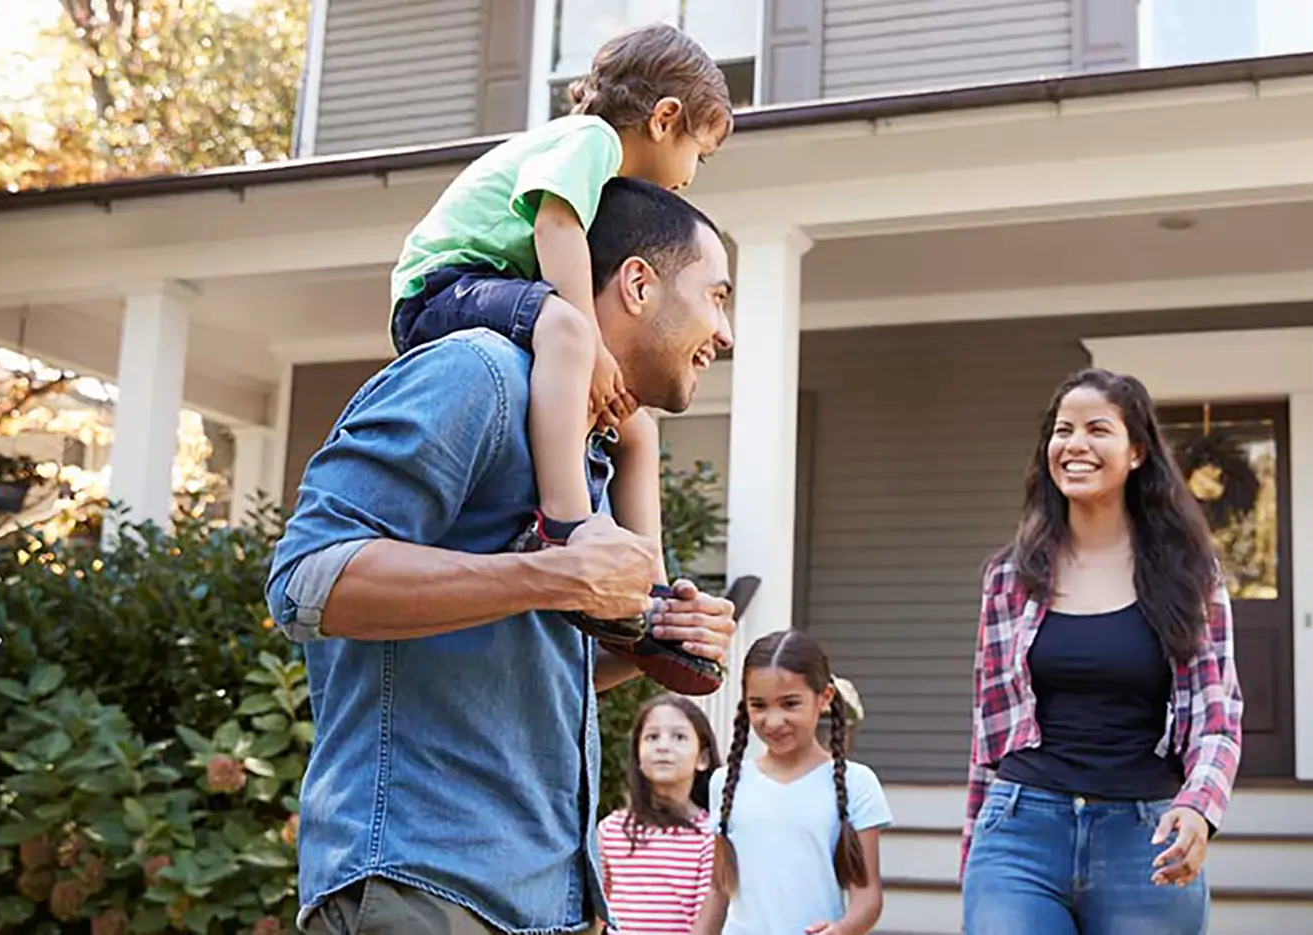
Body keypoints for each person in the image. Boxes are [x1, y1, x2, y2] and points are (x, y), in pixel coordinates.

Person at [265, 177, 738, 935]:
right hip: (423, 886)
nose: (726, 332)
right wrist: (552, 572)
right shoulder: (475, 374)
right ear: (640, 284)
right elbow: (306, 580)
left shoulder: (591, 461)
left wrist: (658, 641)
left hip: (551, 899)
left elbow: (537, 650)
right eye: (715, 296)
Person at [387, 23, 734, 689]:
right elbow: (554, 227)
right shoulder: (589, 140)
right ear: (665, 120)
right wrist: (590, 339)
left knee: (636, 425)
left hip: (486, 288)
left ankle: (653, 600)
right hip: (442, 283)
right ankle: (566, 522)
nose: (691, 177)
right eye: (700, 153)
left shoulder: (594, 166)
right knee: (566, 330)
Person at [960, 367, 1244, 935]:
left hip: (1144, 838)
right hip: (1020, 833)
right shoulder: (1010, 577)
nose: (1075, 445)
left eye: (1097, 429)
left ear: (1136, 452)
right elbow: (987, 734)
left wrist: (1199, 807)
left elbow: (1218, 719)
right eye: (1062, 430)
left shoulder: (1190, 575)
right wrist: (973, 852)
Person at [692, 631, 889, 935]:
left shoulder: (857, 783)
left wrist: (841, 929)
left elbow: (868, 897)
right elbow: (719, 890)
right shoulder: (725, 781)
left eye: (789, 704)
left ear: (824, 698)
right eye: (759, 705)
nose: (772, 721)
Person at [599, 694, 720, 935]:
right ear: (638, 756)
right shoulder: (611, 830)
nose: (663, 746)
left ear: (702, 758)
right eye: (652, 737)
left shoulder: (711, 834)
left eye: (679, 737)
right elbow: (596, 912)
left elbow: (709, 922)